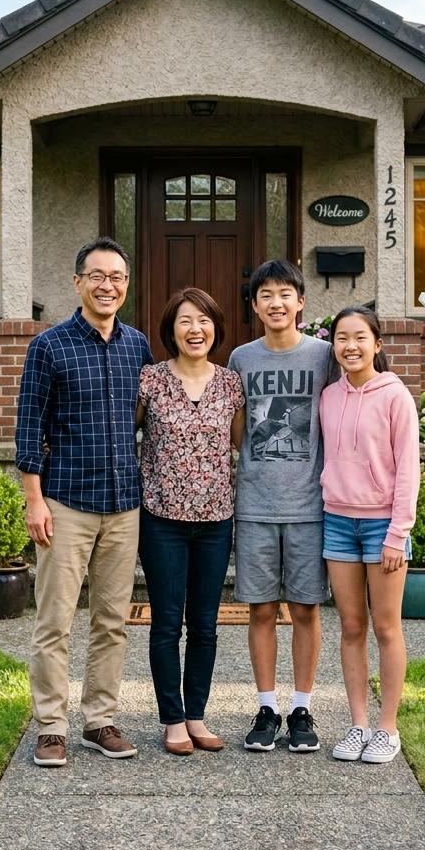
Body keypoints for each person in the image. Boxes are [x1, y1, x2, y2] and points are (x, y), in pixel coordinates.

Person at [16, 236, 153, 768]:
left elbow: (141, 419)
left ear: (126, 284)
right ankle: (51, 726)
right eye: (97, 276)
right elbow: (29, 427)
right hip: (66, 502)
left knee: (112, 619)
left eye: (117, 277)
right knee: (55, 622)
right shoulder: (49, 346)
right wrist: (34, 500)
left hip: (123, 504)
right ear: (78, 283)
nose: (107, 285)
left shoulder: (137, 346)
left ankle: (100, 721)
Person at [228, 259, 337, 752]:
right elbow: (236, 427)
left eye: (285, 293)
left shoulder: (325, 356)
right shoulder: (240, 359)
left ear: (301, 302)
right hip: (254, 503)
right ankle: (267, 705)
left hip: (309, 506)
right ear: (254, 305)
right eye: (265, 294)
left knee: (307, 609)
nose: (276, 302)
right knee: (261, 610)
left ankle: (302, 707)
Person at [136, 288, 246, 756]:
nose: (195, 329)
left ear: (216, 327)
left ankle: (197, 713)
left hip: (216, 520)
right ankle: (172, 719)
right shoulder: (150, 381)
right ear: (171, 330)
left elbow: (237, 446)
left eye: (203, 320)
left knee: (204, 623)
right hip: (161, 518)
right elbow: (130, 435)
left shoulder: (230, 385)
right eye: (185, 321)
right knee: (166, 623)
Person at [318, 305, 419, 764]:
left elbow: (407, 471)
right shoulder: (328, 396)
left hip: (383, 526)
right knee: (352, 625)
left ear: (377, 344)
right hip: (337, 521)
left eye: (360, 337)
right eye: (342, 337)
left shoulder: (395, 396)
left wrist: (398, 533)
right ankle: (358, 724)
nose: (350, 346)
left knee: (385, 626)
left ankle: (387, 728)